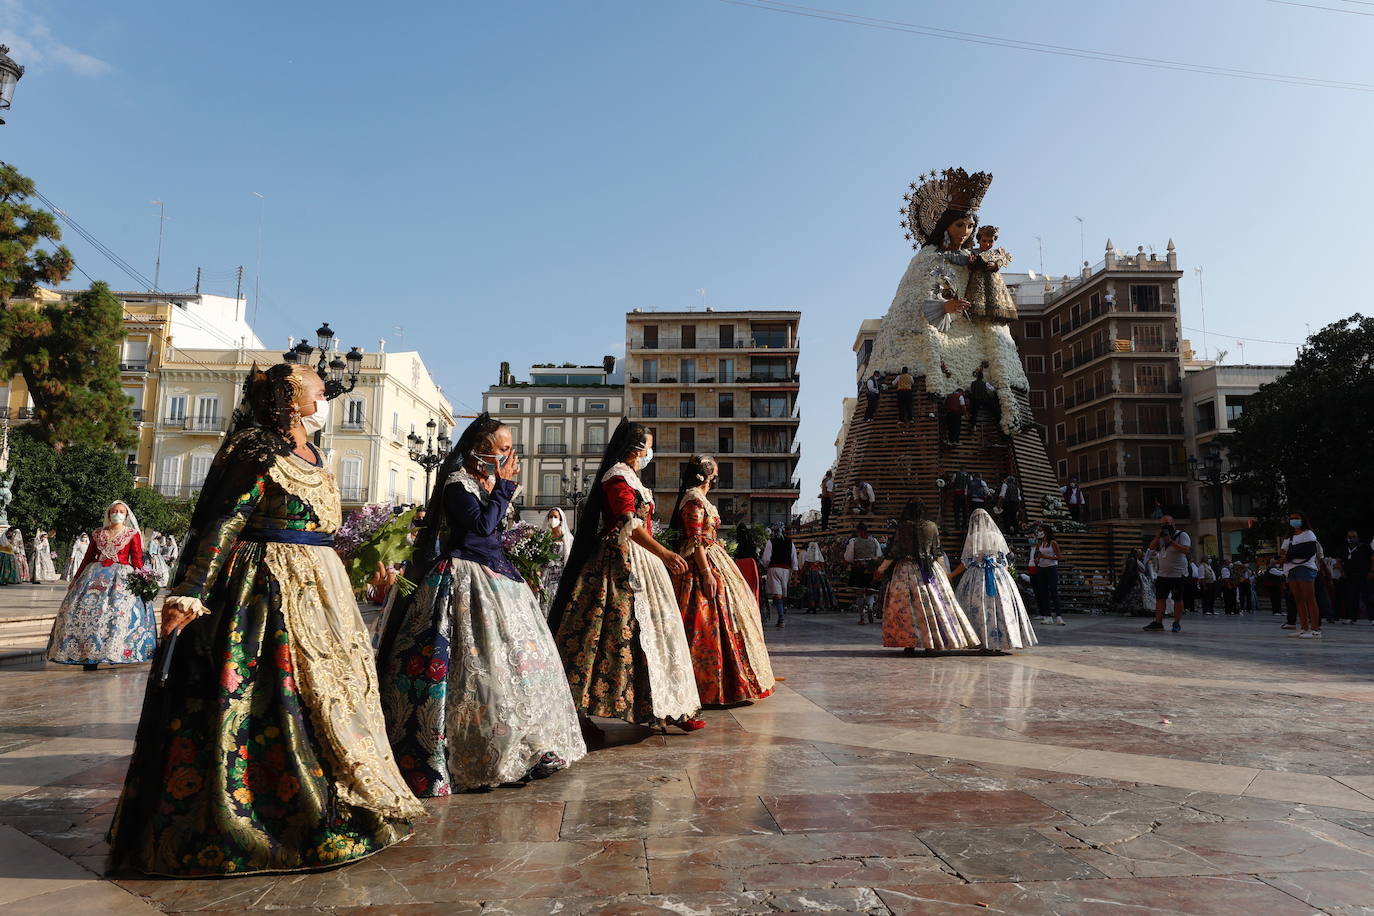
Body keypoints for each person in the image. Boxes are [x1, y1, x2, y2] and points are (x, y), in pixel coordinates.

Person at [107, 365, 423, 876]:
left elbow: (320, 532)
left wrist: (367, 570)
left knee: (337, 695)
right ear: (289, 394)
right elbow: (225, 520)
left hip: (321, 591)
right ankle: (271, 822)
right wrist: (191, 591)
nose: (325, 390)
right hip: (263, 587)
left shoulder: (316, 453)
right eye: (316, 384)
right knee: (277, 696)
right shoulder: (255, 448)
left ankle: (346, 806)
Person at [377, 414, 586, 793]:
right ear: (479, 450)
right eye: (503, 449)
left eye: (509, 449)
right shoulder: (458, 486)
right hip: (466, 580)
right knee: (479, 671)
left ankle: (526, 746)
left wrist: (498, 488)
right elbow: (479, 529)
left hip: (497, 579)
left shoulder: (481, 484)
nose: (509, 455)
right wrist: (504, 488)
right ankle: (483, 752)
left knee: (513, 668)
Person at [547, 421, 704, 734]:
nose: (650, 451)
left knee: (653, 634)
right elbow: (627, 523)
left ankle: (669, 706)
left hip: (640, 562)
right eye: (648, 445)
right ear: (636, 449)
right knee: (601, 636)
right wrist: (665, 553)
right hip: (619, 564)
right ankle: (578, 711)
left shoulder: (631, 477)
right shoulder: (618, 476)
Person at [866, 168, 1030, 436]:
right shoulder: (927, 257)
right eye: (959, 225)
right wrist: (945, 307)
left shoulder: (975, 260)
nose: (965, 232)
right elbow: (912, 303)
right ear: (946, 225)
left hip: (978, 336)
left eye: (970, 226)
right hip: (936, 337)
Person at [669, 455, 776, 705]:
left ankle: (731, 682)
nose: (717, 477)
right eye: (715, 472)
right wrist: (706, 572)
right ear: (707, 475)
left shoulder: (700, 499)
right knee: (705, 622)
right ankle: (708, 686)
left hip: (714, 556)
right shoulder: (693, 500)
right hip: (701, 564)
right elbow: (695, 539)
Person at [46, 502, 156, 671]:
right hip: (94, 576)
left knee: (116, 613)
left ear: (126, 516)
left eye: (120, 512)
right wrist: (75, 579)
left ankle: (112, 651)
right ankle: (88, 653)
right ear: (108, 513)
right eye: (114, 511)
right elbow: (88, 557)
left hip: (121, 578)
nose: (117, 514)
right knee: (85, 612)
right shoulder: (98, 533)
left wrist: (143, 579)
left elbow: (137, 559)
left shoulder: (132, 534)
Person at [879, 500, 979, 655]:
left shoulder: (903, 527)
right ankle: (931, 644)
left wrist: (881, 568)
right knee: (933, 606)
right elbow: (937, 551)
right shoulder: (932, 526)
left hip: (906, 569)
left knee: (907, 607)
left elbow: (894, 551)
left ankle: (909, 644)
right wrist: (945, 574)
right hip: (929, 569)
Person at [951, 508, 1035, 651]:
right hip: (998, 574)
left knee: (980, 607)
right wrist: (1005, 580)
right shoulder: (996, 535)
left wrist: (951, 575)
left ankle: (981, 640)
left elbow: (966, 562)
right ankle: (1004, 640)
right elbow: (1004, 561)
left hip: (977, 575)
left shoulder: (974, 537)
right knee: (1001, 606)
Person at [1143, 516, 1191, 632]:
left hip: (1177, 574)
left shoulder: (1182, 535)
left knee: (1177, 599)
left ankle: (1176, 623)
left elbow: (1185, 550)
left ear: (1173, 523)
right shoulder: (1161, 537)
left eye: (1166, 523)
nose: (1164, 525)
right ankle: (1158, 622)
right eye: (1162, 524)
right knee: (1160, 598)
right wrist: (1158, 536)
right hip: (1162, 574)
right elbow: (1151, 547)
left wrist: (1170, 541)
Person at [1279, 511, 1323, 638]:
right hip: (1291, 569)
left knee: (1310, 598)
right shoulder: (1289, 536)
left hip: (1305, 567)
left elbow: (1308, 551)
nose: (1293, 520)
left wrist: (1288, 555)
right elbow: (1283, 551)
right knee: (1298, 599)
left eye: (1296, 518)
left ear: (1302, 520)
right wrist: (1284, 557)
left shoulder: (1308, 534)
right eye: (1291, 518)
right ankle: (1304, 627)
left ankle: (1315, 629)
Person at [760, 524, 799, 629]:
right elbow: (793, 557)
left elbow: (766, 558)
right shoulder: (790, 542)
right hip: (786, 570)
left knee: (777, 594)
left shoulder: (771, 542)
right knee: (782, 592)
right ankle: (782, 612)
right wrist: (794, 571)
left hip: (774, 569)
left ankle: (781, 618)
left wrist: (765, 566)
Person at [844, 523, 884, 625]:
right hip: (871, 568)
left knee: (860, 592)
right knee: (870, 591)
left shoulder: (854, 541)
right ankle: (870, 607)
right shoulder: (874, 541)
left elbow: (848, 557)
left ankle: (862, 617)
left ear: (859, 531)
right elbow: (879, 555)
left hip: (858, 568)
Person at [1029, 524, 1066, 626]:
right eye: (1039, 531)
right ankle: (1047, 616)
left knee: (1054, 591)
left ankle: (1059, 616)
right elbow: (1037, 556)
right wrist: (1037, 560)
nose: (1039, 532)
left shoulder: (1053, 543)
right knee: (1044, 593)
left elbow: (1059, 557)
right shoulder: (1039, 544)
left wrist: (1046, 556)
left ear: (1046, 531)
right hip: (1041, 569)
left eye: (1041, 531)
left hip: (1051, 568)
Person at [540, 506, 574, 616]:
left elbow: (568, 556)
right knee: (545, 597)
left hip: (560, 572)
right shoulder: (544, 536)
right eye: (550, 516)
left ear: (560, 519)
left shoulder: (568, 538)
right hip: (546, 572)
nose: (553, 519)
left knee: (556, 596)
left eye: (555, 516)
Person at [1339, 530, 1372, 623]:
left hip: (1363, 575)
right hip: (1350, 576)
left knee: (1367, 597)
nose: (1351, 539)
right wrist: (1342, 571)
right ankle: (1351, 617)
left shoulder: (1364, 547)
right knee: (1351, 597)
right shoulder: (1344, 548)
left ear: (1358, 537)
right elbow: (1339, 560)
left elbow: (1372, 558)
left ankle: (1372, 618)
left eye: (1354, 537)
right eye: (1349, 537)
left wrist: (1371, 571)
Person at [1109, 547, 1151, 615]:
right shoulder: (1132, 560)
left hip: (1130, 580)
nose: (1139, 553)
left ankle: (1130, 608)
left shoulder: (1134, 560)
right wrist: (1135, 578)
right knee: (1130, 595)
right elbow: (1131, 571)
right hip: (1130, 581)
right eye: (1137, 552)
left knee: (1131, 595)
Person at [802, 541, 837, 613]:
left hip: (810, 574)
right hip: (819, 574)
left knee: (810, 591)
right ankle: (817, 605)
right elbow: (822, 566)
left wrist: (801, 573)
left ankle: (812, 606)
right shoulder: (819, 557)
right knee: (818, 591)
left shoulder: (808, 556)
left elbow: (805, 566)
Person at [733, 522, 762, 605]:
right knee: (752, 589)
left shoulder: (737, 544)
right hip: (751, 565)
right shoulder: (751, 543)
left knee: (742, 590)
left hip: (740, 566)